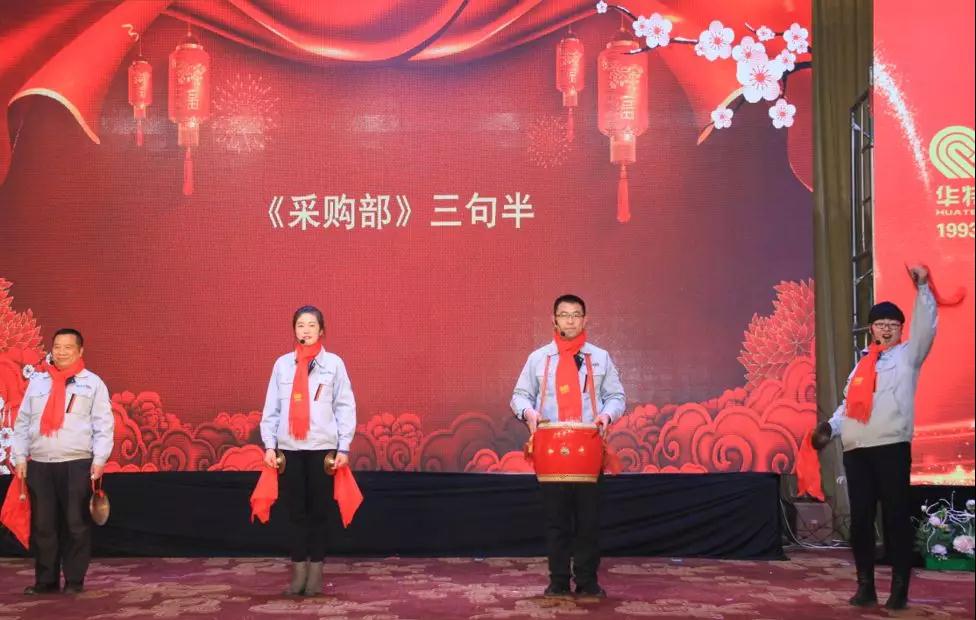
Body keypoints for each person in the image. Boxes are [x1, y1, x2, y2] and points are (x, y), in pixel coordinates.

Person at [812, 265, 936, 610]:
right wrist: (830, 428)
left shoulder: (909, 356)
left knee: (895, 518)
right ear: (871, 329)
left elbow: (926, 327)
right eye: (881, 323)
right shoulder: (861, 365)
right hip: (857, 450)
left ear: (901, 329)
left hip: (890, 446)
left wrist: (923, 288)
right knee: (861, 521)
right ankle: (865, 585)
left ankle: (899, 589)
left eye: (893, 324)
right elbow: (848, 407)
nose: (887, 328)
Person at [511, 294, 626, 599]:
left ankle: (587, 580)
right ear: (554, 319)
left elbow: (616, 397)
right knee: (556, 520)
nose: (570, 320)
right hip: (552, 450)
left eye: (576, 315)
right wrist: (529, 413)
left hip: (588, 448)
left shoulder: (600, 357)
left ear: (585, 320)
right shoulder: (539, 358)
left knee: (588, 520)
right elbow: (519, 396)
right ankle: (558, 581)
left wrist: (606, 415)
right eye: (564, 314)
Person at [259, 305, 356, 596]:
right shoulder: (282, 365)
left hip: (321, 449)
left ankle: (316, 573)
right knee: (295, 513)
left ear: (321, 330)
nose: (306, 330)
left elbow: (345, 406)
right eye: (301, 325)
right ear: (294, 330)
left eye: (312, 325)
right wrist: (269, 445)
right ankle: (298, 572)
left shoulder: (333, 364)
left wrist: (344, 446)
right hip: (289, 450)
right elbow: (271, 408)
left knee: (319, 512)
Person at [12, 328, 114, 595]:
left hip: (76, 463)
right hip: (40, 463)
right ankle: (46, 580)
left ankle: (74, 580)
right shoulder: (38, 382)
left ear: (80, 351)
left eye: (68, 347)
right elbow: (22, 423)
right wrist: (20, 456)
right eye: (57, 346)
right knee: (43, 526)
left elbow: (103, 425)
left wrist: (100, 459)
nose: (61, 352)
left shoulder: (92, 383)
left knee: (75, 524)